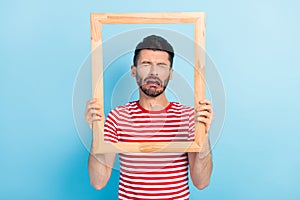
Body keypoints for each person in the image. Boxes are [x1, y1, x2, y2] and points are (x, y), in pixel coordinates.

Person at [85, 35, 214, 200]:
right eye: (146, 64)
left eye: (161, 66)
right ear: (134, 71)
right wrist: (96, 133)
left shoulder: (189, 117)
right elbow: (98, 181)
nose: (154, 73)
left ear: (170, 73)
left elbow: (201, 182)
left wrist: (204, 132)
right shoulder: (117, 117)